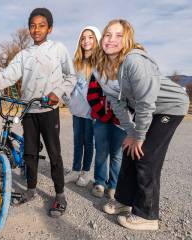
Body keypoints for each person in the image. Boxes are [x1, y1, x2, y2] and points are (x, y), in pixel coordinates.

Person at [0, 8, 75, 218]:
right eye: (33, 25)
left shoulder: (58, 49)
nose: (36, 29)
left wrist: (58, 93)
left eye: (41, 25)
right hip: (28, 110)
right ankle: (31, 190)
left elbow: (71, 76)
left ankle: (60, 195)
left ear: (50, 28)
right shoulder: (24, 55)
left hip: (48, 110)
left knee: (54, 154)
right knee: (29, 153)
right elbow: (8, 76)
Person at [97, 19, 189, 230]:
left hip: (169, 107)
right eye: (108, 34)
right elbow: (118, 106)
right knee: (130, 150)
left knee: (145, 155)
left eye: (118, 35)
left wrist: (139, 137)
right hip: (151, 109)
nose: (111, 39)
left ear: (127, 39)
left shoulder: (134, 61)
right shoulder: (106, 68)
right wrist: (131, 133)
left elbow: (146, 102)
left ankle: (147, 215)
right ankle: (123, 201)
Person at [64, 26, 100, 187]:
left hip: (92, 111)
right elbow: (69, 84)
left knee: (88, 142)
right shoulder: (76, 62)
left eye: (90, 37)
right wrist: (68, 101)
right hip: (76, 109)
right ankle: (75, 170)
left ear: (97, 39)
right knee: (78, 141)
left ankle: (86, 172)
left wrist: (98, 107)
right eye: (83, 37)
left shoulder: (101, 62)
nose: (86, 40)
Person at [87, 69, 126, 200]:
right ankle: (99, 183)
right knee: (101, 152)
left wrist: (121, 115)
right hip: (101, 119)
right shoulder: (98, 72)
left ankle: (114, 186)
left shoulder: (127, 70)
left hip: (121, 120)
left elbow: (132, 96)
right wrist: (105, 115)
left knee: (117, 154)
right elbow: (91, 96)